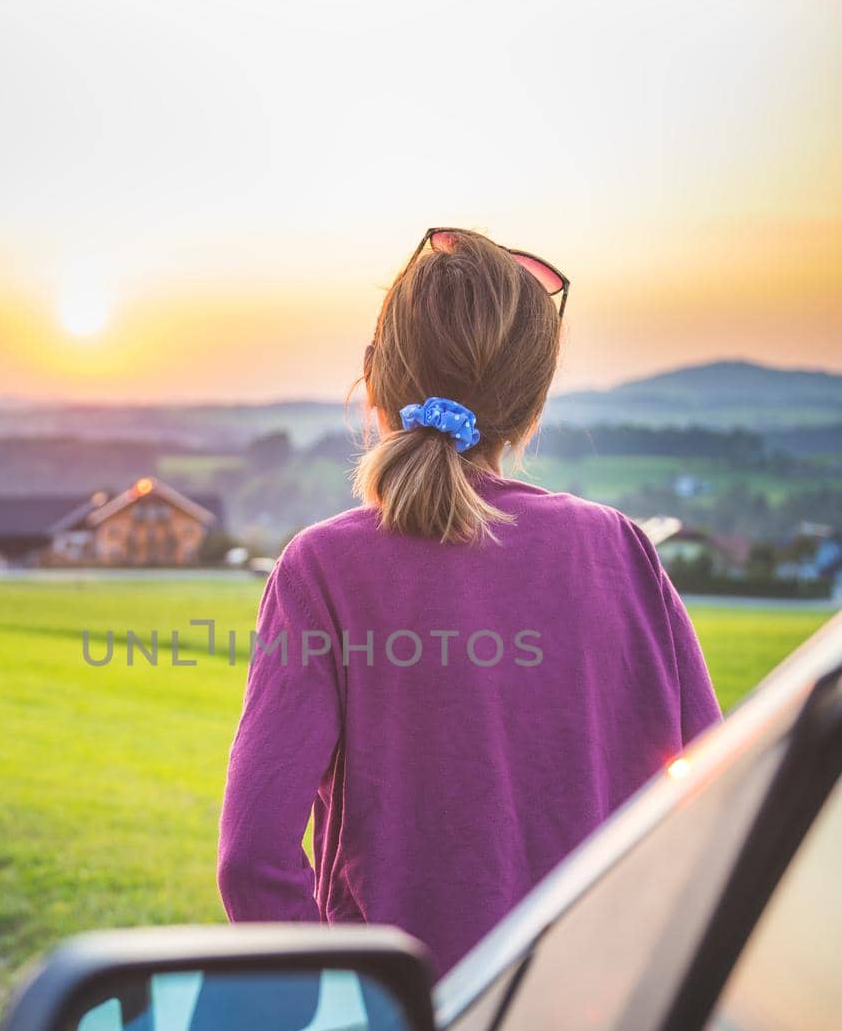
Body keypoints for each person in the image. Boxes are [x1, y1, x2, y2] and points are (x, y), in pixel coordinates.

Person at [217, 227, 721, 979]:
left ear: (373, 380)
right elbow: (714, 808)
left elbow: (253, 859)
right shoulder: (619, 550)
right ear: (531, 400)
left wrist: (360, 1012)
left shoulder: (322, 568)